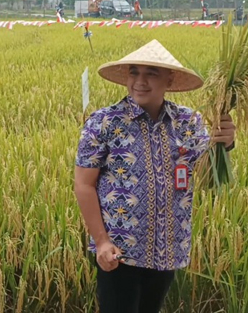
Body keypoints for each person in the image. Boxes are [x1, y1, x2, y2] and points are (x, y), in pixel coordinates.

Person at [74, 40, 236, 313]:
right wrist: (101, 241)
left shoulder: (189, 122)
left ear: (169, 79)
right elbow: (84, 184)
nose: (140, 81)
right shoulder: (105, 122)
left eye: (151, 73)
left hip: (168, 250)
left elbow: (208, 176)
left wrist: (225, 144)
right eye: (134, 72)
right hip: (119, 251)